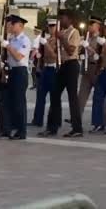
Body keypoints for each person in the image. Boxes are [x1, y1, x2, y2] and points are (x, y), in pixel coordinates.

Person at [38, 9, 82, 138]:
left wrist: (61, 38)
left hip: (72, 65)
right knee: (54, 95)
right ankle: (52, 126)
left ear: (69, 19)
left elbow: (70, 51)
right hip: (62, 65)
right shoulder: (61, 33)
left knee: (72, 97)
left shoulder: (74, 32)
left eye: (63, 18)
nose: (60, 21)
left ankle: (77, 128)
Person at [0, 15, 31, 140]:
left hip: (20, 72)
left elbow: (18, 57)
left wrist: (8, 47)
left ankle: (21, 131)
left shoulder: (25, 40)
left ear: (20, 26)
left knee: (19, 103)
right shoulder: (12, 39)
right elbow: (9, 57)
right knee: (7, 101)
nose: (10, 26)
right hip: (11, 71)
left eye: (12, 24)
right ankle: (7, 128)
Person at [77, 15, 106, 129]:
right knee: (81, 96)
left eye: (92, 24)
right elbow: (81, 52)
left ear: (98, 26)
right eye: (89, 24)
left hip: (96, 69)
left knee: (100, 97)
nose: (89, 26)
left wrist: (88, 48)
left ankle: (102, 121)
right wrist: (81, 52)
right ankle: (76, 118)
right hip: (86, 68)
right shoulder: (87, 38)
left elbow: (98, 56)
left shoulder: (101, 40)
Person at [30, 18, 58, 127]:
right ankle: (37, 120)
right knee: (40, 95)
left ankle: (53, 122)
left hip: (54, 69)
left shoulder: (58, 40)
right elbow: (41, 55)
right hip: (45, 69)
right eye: (49, 26)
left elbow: (55, 56)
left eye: (53, 26)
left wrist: (46, 44)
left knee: (53, 98)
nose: (50, 29)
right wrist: (38, 65)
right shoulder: (47, 39)